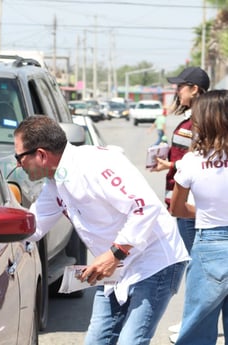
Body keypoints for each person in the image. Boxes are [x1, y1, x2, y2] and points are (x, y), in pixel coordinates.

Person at [14, 115, 190, 345]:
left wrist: (114, 254)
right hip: (115, 269)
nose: (18, 164)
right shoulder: (55, 181)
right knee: (97, 341)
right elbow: (33, 225)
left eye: (19, 157)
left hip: (154, 263)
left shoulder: (95, 164)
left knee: (131, 342)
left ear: (41, 155)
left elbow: (145, 207)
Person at [149, 66, 210, 342]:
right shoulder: (191, 116)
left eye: (181, 86)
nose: (177, 91)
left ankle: (192, 323)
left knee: (197, 265)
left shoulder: (202, 118)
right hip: (182, 199)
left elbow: (201, 156)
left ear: (195, 89)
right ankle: (191, 320)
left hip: (191, 203)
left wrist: (171, 163)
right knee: (194, 264)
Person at [170, 89, 228, 345]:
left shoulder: (192, 161)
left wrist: (204, 212)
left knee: (197, 330)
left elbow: (177, 208)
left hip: (210, 244)